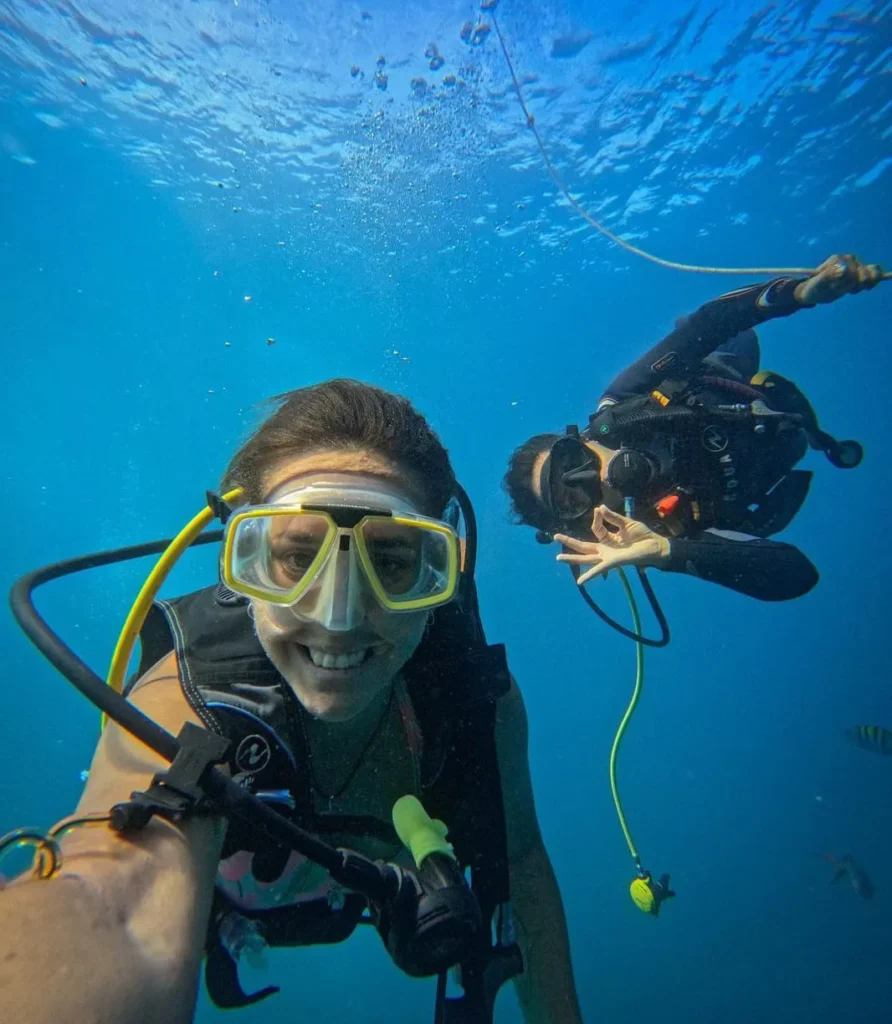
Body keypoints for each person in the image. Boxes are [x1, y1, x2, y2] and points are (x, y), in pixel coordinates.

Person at [1, 380, 583, 1024]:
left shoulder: (472, 701)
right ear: (244, 565)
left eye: (391, 562)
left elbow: (520, 863)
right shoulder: (193, 698)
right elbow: (117, 903)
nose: (338, 619)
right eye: (297, 558)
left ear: (440, 573)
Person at [504, 254, 884, 602]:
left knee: (713, 333)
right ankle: (814, 437)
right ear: (580, 525)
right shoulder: (661, 532)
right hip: (769, 463)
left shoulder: (622, 405)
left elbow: (707, 325)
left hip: (729, 381)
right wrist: (667, 552)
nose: (595, 477)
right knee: (792, 435)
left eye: (573, 461)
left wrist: (800, 292)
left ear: (581, 439)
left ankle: (806, 426)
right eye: (573, 498)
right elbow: (798, 574)